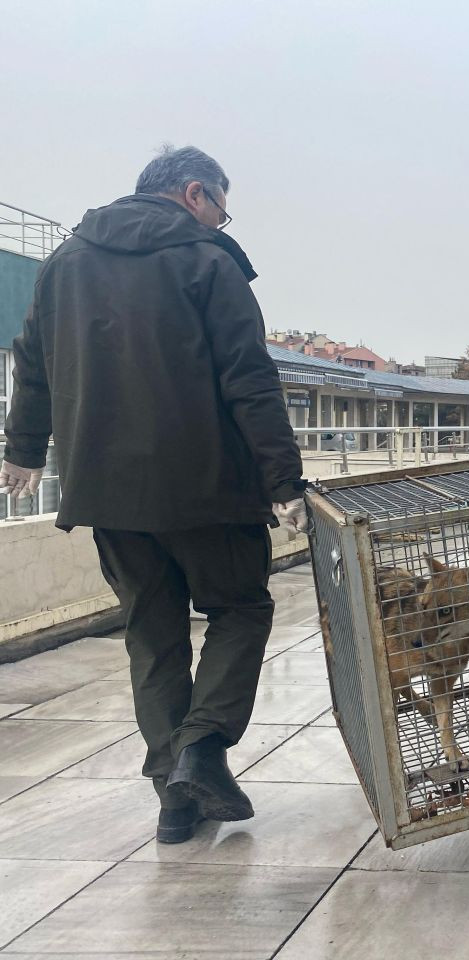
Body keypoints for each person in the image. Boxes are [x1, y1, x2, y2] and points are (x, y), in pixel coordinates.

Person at [0, 146, 308, 844]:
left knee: (153, 635)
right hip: (206, 489)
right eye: (223, 206)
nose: (224, 221)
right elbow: (249, 378)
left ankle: (175, 800)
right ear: (194, 192)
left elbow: (32, 361)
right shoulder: (208, 260)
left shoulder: (64, 263)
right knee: (240, 607)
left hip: (108, 495)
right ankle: (201, 750)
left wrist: (22, 451)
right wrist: (283, 483)